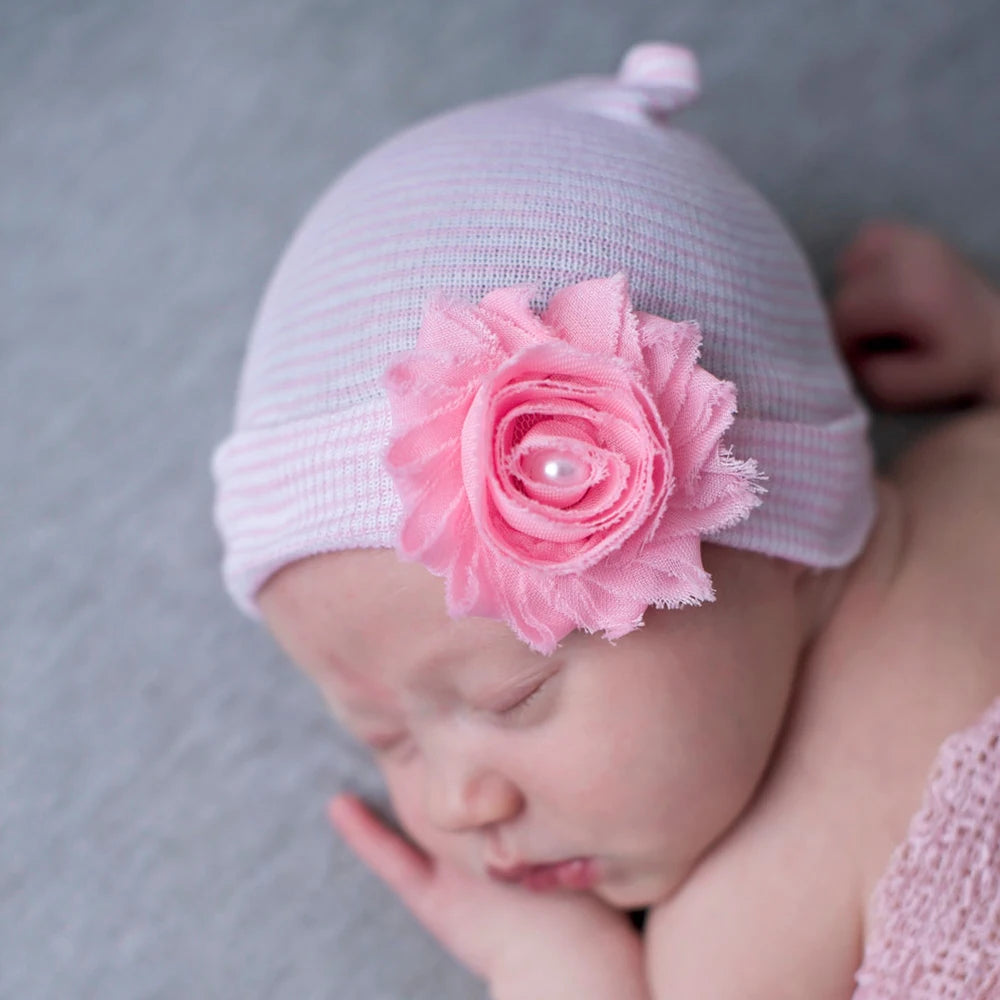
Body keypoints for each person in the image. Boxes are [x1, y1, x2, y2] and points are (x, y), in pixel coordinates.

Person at [212, 43, 1000, 999]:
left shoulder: (746, 938)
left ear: (767, 526)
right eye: (385, 740)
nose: (460, 802)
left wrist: (560, 972)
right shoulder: (975, 465)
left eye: (515, 697)